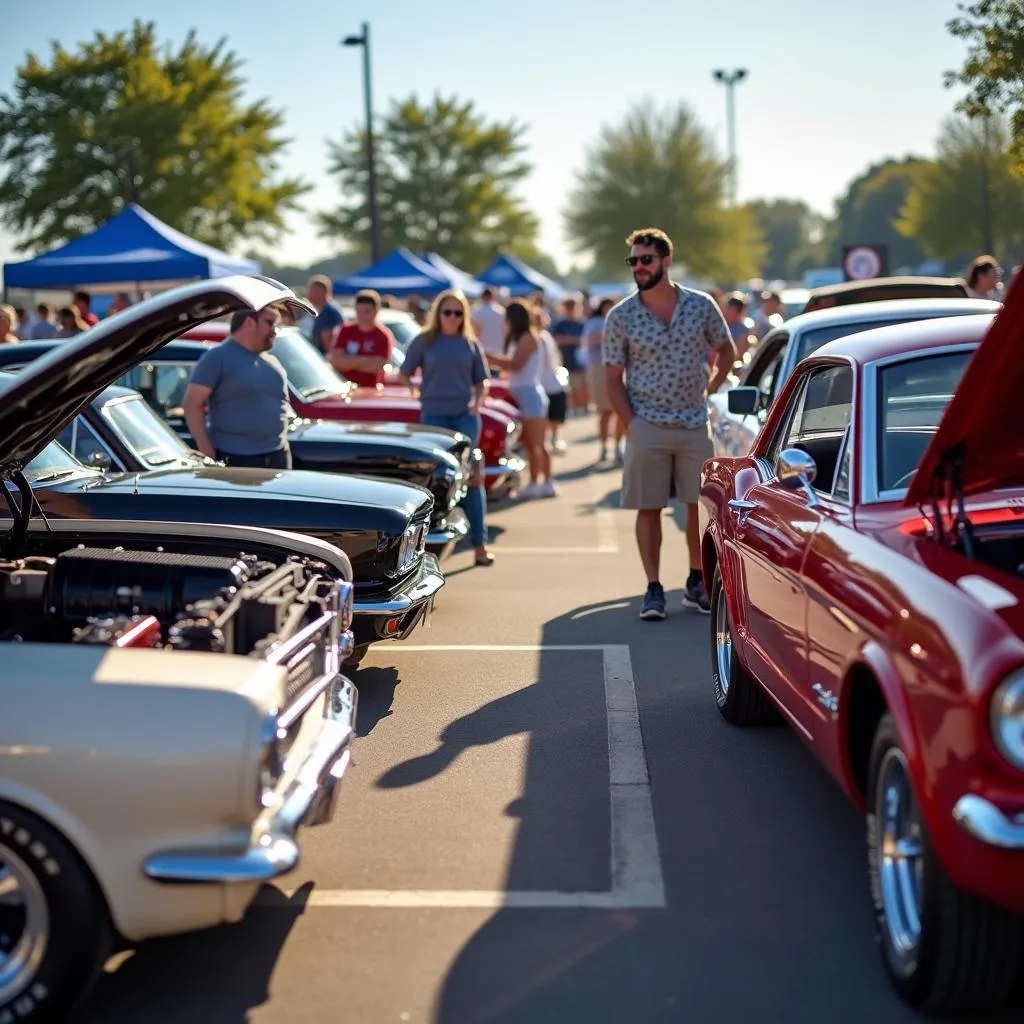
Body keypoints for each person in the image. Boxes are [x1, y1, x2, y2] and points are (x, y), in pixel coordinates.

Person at [603, 227, 736, 621]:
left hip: (695, 422)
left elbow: (726, 350)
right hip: (647, 423)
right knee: (649, 506)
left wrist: (710, 388)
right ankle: (654, 588)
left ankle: (697, 582)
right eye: (633, 261)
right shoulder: (621, 316)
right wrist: (633, 425)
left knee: (698, 506)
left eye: (646, 260)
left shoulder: (700, 305)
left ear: (665, 261)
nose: (639, 267)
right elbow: (611, 378)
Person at [400, 290, 494, 566]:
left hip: (464, 417)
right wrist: (413, 389)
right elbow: (404, 371)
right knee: (434, 479)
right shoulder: (424, 341)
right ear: (437, 313)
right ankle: (425, 551)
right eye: (447, 312)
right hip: (434, 417)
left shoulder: (469, 343)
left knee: (473, 478)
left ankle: (480, 544)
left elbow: (482, 380)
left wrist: (478, 402)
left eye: (458, 313)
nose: (452, 318)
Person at [182, 306, 292, 469]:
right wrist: (205, 449)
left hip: (277, 455)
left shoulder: (272, 362)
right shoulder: (217, 357)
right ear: (249, 322)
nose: (274, 331)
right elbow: (191, 403)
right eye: (269, 323)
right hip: (236, 459)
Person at [487, 300, 555, 498]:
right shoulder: (520, 338)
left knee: (536, 444)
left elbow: (516, 364)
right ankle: (542, 481)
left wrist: (491, 358)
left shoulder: (528, 338)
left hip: (530, 397)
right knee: (533, 444)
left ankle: (540, 482)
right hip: (524, 395)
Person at [582, 297, 623, 462]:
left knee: (620, 411)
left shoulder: (621, 320)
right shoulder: (594, 322)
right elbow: (590, 340)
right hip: (600, 370)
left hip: (620, 369)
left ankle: (619, 446)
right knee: (605, 411)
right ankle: (604, 446)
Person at [328, 288, 395, 387]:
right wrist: (366, 361)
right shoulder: (345, 330)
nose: (362, 316)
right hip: (345, 388)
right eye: (358, 311)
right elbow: (335, 361)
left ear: (376, 310)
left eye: (367, 311)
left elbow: (378, 366)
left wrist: (348, 361)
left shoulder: (383, 335)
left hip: (369, 389)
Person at [306, 275, 344, 354]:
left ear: (321, 292)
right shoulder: (329, 309)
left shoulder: (328, 313)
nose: (308, 294)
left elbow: (328, 345)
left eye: (311, 290)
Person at [471, 287, 507, 364]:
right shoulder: (502, 311)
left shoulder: (477, 311)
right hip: (499, 353)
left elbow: (476, 332)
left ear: (482, 296)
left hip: (483, 353)